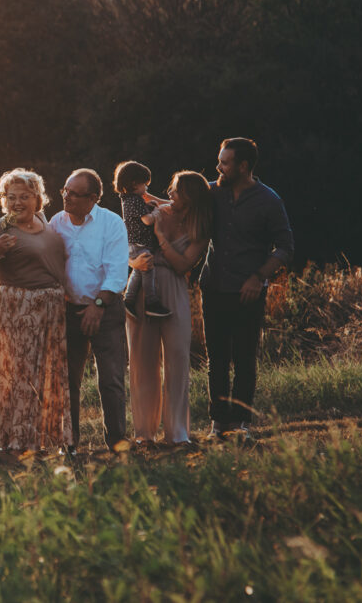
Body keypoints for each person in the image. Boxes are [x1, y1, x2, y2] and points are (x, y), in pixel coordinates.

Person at [201, 137, 294, 438]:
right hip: (213, 287)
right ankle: (218, 422)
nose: (219, 167)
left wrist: (258, 277)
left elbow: (285, 246)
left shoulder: (269, 200)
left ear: (243, 166)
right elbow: (180, 204)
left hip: (247, 290)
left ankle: (242, 423)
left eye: (224, 162)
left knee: (244, 358)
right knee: (216, 358)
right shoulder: (212, 193)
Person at [0, 168, 71, 452]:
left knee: (50, 372)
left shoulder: (43, 221)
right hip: (20, 306)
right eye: (11, 197)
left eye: (25, 196)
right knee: (21, 374)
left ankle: (46, 439)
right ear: (4, 200)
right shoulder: (1, 226)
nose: (17, 203)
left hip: (52, 307)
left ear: (37, 199)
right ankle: (16, 441)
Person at [126, 172, 213, 445]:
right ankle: (144, 433)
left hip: (174, 287)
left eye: (175, 190)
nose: (170, 193)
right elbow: (129, 246)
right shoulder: (158, 211)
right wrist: (134, 262)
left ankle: (177, 432)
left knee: (177, 357)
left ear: (188, 196)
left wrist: (161, 237)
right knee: (142, 359)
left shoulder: (200, 227)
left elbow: (183, 265)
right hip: (143, 285)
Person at [49, 168, 130, 452]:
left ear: (93, 198)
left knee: (110, 379)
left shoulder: (111, 223)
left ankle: (117, 442)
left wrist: (98, 305)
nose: (66, 197)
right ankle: (69, 444)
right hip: (68, 310)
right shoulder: (56, 223)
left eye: (74, 194)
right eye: (65, 191)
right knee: (67, 380)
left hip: (105, 308)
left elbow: (118, 269)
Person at [114, 160, 172, 319]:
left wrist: (150, 205)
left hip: (135, 244)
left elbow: (139, 214)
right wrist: (156, 214)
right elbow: (146, 220)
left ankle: (129, 300)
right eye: (144, 185)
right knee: (148, 269)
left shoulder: (128, 199)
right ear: (134, 184)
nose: (146, 188)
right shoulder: (135, 200)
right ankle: (151, 302)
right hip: (140, 244)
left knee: (138, 272)